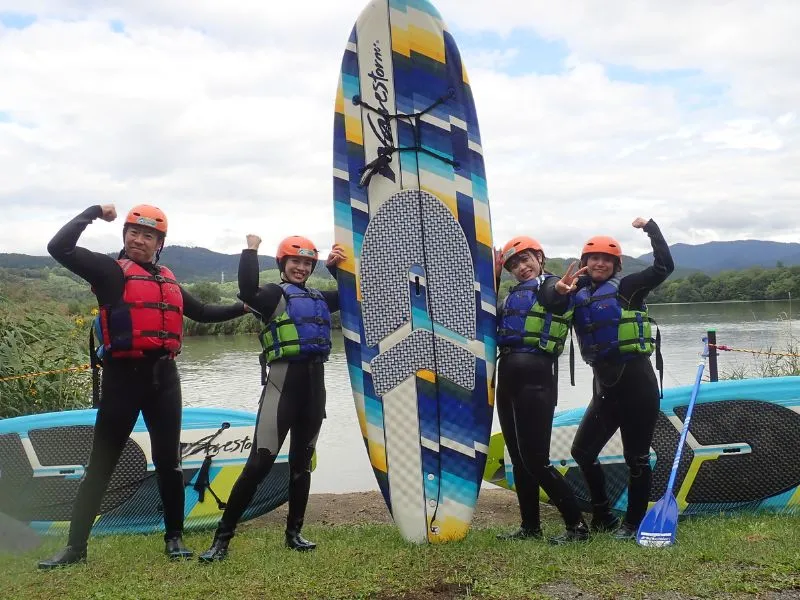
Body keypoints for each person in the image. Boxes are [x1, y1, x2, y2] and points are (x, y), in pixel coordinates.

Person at [38, 204, 248, 569]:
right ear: (124, 236)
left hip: (164, 380)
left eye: (148, 235)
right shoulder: (109, 272)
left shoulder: (168, 280)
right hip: (122, 379)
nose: (139, 239)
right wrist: (91, 213)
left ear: (159, 244)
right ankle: (75, 547)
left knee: (170, 463)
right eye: (134, 232)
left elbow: (201, 312)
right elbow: (60, 248)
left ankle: (174, 538)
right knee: (101, 466)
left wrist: (244, 307)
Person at [198, 234, 344, 561]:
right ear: (283, 264)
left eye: (308, 263)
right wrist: (250, 250)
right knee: (259, 464)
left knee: (301, 465)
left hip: (314, 392)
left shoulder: (321, 297)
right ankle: (221, 540)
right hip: (281, 391)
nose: (301, 268)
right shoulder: (272, 296)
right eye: (295, 262)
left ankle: (294, 533)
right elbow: (246, 291)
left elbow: (356, 298)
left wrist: (336, 270)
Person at [555, 217, 673, 540]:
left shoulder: (629, 289)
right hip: (603, 388)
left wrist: (651, 227)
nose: (600, 263)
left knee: (636, 459)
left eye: (607, 259)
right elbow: (550, 302)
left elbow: (665, 266)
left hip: (638, 386)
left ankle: (632, 524)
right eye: (593, 258)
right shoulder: (574, 293)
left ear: (616, 265)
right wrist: (558, 290)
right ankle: (604, 515)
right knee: (582, 453)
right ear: (584, 263)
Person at [493, 236, 590, 544]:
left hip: (535, 378)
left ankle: (577, 527)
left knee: (536, 459)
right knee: (518, 458)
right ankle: (529, 527)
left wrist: (562, 289)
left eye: (526, 260)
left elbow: (555, 296)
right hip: (507, 376)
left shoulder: (551, 287)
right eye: (514, 265)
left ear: (540, 258)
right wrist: (493, 274)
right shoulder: (512, 296)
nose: (522, 268)